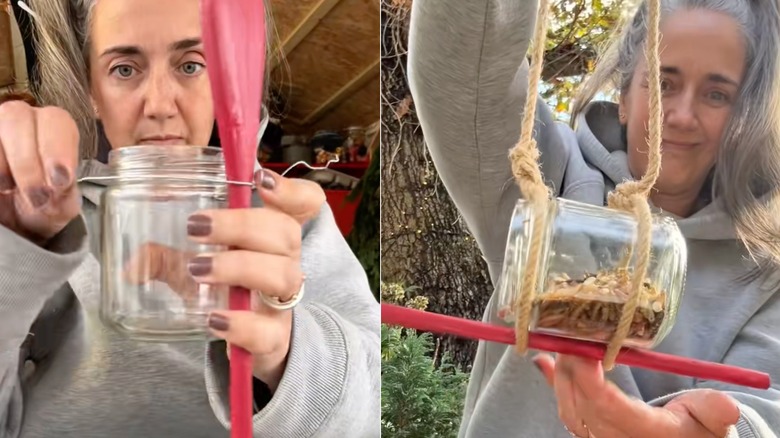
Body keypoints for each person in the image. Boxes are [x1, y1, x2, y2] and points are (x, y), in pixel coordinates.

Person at [0, 0, 380, 436]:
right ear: (92, 91)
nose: (160, 105)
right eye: (124, 69)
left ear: (225, 81)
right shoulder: (42, 219)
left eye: (191, 65)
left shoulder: (288, 219)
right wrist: (11, 261)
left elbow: (373, 411)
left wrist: (288, 350)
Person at [408, 0, 780, 437]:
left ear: (743, 115)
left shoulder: (766, 263)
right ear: (624, 98)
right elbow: (464, 70)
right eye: (663, 83)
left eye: (716, 94)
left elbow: (764, 404)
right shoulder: (549, 177)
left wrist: (709, 430)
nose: (681, 116)